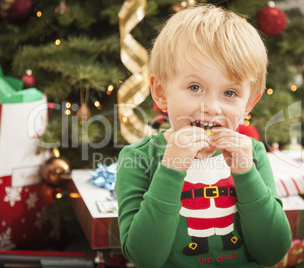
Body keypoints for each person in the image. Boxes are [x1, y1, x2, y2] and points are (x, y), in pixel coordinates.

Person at [115, 4, 292, 268]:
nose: (211, 107)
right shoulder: (139, 158)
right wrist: (171, 167)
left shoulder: (251, 154)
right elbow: (144, 257)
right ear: (161, 92)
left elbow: (273, 251)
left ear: (248, 105)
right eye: (195, 87)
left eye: (229, 93)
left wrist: (246, 175)